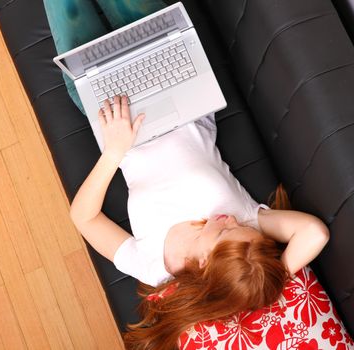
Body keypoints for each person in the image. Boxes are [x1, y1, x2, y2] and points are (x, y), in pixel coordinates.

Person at [43, 1, 330, 349]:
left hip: (112, 115)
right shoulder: (247, 229)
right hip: (173, 80)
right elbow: (314, 233)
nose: (228, 220)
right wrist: (265, 279)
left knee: (66, 9)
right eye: (239, 228)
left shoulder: (153, 267)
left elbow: (84, 218)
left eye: (224, 231)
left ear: (205, 263)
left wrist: (114, 151)